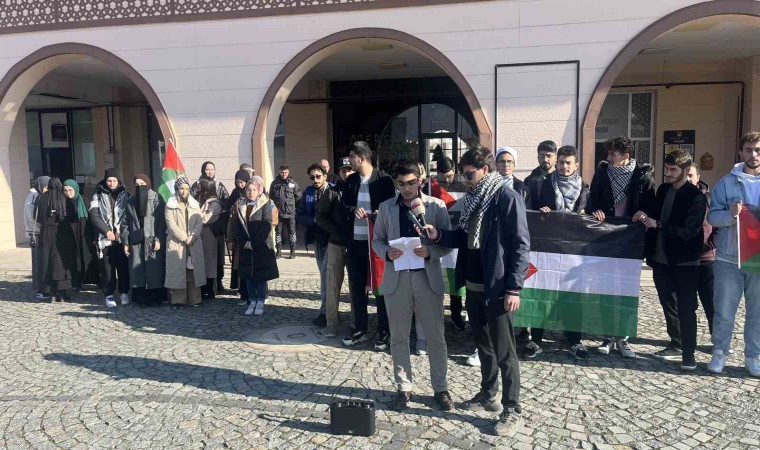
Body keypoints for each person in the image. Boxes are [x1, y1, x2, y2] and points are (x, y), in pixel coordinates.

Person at [421, 145, 529, 437]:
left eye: (469, 174)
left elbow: (520, 245)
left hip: (498, 288)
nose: (466, 179)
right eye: (464, 174)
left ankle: (512, 408)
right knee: (483, 345)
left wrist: (514, 288)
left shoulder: (506, 198)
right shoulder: (473, 200)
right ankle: (489, 394)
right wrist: (439, 234)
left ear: (485, 170)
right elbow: (464, 237)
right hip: (473, 285)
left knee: (505, 351)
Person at [371, 160, 454, 411]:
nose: (406, 189)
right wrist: (387, 253)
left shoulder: (435, 206)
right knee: (398, 337)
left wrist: (430, 252)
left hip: (426, 277)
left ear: (420, 180)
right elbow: (377, 240)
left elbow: (447, 242)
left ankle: (440, 388)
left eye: (410, 183)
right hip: (397, 278)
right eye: (400, 184)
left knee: (435, 336)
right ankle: (403, 388)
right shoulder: (386, 207)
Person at [588, 136, 655, 358]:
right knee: (606, 290)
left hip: (631, 241)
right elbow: (591, 203)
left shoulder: (643, 175)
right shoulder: (602, 173)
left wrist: (644, 213)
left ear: (625, 156)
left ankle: (623, 338)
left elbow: (650, 205)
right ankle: (607, 336)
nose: (608, 158)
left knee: (627, 290)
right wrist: (595, 211)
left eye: (612, 154)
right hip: (606, 239)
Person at [642, 150, 706, 371]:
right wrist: (643, 216)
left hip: (686, 262)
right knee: (667, 304)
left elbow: (690, 232)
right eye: (666, 169)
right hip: (660, 260)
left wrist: (658, 225)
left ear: (686, 171)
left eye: (673, 170)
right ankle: (676, 343)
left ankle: (689, 354)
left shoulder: (696, 197)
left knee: (687, 308)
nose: (667, 173)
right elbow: (653, 214)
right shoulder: (662, 190)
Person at [527, 145, 590, 360]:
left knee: (572, 297)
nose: (563, 166)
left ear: (576, 165)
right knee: (542, 294)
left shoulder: (585, 188)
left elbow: (594, 214)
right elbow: (531, 213)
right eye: (561, 162)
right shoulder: (543, 185)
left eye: (568, 162)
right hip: (548, 249)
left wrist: (591, 214)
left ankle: (574, 340)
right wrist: (540, 213)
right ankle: (536, 339)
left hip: (574, 252)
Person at [707, 131, 760, 376]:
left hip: (758, 260)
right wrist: (730, 215)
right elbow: (712, 217)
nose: (754, 154)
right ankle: (719, 353)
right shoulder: (727, 182)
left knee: (757, 312)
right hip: (729, 258)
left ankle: (753, 356)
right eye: (749, 150)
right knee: (724, 311)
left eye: (758, 150)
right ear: (741, 152)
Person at [340, 141, 396, 348]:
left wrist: (381, 214)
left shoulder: (384, 180)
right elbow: (343, 205)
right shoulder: (351, 180)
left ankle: (384, 331)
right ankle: (360, 328)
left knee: (380, 288)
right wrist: (353, 209)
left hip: (378, 245)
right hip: (356, 243)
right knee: (356, 288)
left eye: (352, 157)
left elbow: (393, 209)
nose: (350, 161)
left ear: (361, 158)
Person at [315, 160, 355, 337]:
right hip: (336, 244)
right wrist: (335, 229)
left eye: (349, 170)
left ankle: (357, 320)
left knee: (356, 285)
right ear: (338, 173)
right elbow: (320, 216)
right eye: (343, 171)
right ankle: (331, 322)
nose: (346, 173)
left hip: (355, 245)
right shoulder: (331, 192)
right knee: (332, 284)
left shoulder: (359, 189)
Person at [234, 178, 279, 316]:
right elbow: (238, 228)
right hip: (246, 246)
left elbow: (266, 225)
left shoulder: (265, 204)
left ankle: (260, 300)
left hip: (261, 246)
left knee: (260, 276)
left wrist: (254, 243)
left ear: (259, 190)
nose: (251, 192)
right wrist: (244, 243)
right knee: (248, 276)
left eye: (254, 189)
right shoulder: (240, 205)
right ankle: (252, 300)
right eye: (248, 190)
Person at [121, 174, 166, 306]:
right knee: (137, 270)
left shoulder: (157, 198)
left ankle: (155, 298)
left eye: (142, 184)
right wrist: (126, 242)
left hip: (151, 240)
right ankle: (140, 299)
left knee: (154, 270)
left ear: (148, 183)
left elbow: (162, 222)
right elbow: (124, 224)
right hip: (136, 241)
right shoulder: (131, 200)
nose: (140, 187)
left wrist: (159, 239)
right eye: (137, 184)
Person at [90, 168, 131, 308]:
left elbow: (128, 214)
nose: (111, 183)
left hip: (121, 238)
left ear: (118, 181)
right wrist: (106, 231)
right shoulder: (97, 195)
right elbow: (94, 216)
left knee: (123, 267)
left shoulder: (125, 194)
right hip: (105, 239)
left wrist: (121, 230)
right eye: (109, 180)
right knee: (107, 269)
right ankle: (109, 295)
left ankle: (124, 292)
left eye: (114, 180)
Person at [165, 177, 206, 307]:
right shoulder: (170, 205)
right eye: (182, 188)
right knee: (179, 272)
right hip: (177, 243)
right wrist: (184, 237)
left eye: (187, 188)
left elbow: (199, 222)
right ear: (177, 189)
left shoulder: (194, 204)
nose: (185, 191)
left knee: (193, 271)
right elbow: (171, 225)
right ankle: (178, 300)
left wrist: (193, 236)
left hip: (193, 242)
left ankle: (195, 299)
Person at [300, 163, 332, 327]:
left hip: (332, 240)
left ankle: (326, 313)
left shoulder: (332, 190)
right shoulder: (308, 192)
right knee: (324, 276)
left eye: (318, 176)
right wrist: (313, 220)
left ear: (325, 176)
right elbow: (300, 215)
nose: (315, 180)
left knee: (327, 277)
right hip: (316, 239)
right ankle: (328, 311)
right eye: (312, 177)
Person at [685, 164, 716, 336]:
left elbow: (718, 225)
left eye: (691, 175)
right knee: (688, 304)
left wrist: (711, 244)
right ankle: (687, 340)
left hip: (706, 259)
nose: (688, 178)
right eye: (686, 175)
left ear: (698, 177)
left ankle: (717, 339)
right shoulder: (677, 196)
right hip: (686, 260)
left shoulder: (709, 198)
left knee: (711, 302)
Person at [191, 162, 230, 292]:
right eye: (207, 169)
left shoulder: (219, 186)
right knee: (204, 258)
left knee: (216, 258)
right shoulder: (197, 185)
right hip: (199, 229)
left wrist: (217, 209)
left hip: (215, 228)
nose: (210, 172)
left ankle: (217, 283)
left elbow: (226, 202)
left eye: (212, 169)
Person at [37, 178, 74, 302]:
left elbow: (36, 217)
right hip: (62, 233)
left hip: (46, 232)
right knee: (61, 261)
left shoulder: (42, 198)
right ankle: (64, 292)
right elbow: (70, 215)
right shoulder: (64, 197)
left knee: (49, 261)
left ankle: (50, 291)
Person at [62, 179, 92, 291]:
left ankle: (89, 280)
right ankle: (76, 282)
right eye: (65, 190)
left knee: (87, 256)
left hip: (84, 233)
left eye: (70, 190)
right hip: (70, 235)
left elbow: (90, 218)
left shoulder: (84, 200)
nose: (68, 193)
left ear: (75, 189)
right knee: (74, 258)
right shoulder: (63, 202)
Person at [226, 169, 251, 299]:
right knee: (238, 263)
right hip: (237, 236)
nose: (240, 185)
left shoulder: (252, 192)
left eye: (242, 182)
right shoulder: (235, 193)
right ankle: (240, 288)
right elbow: (229, 211)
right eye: (238, 182)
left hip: (249, 235)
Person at [269, 164, 302, 259]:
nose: (283, 174)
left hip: (290, 213)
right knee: (278, 233)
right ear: (279, 172)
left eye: (285, 172)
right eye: (282, 172)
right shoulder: (274, 183)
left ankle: (293, 251)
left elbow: (298, 197)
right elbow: (271, 197)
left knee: (292, 233)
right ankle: (278, 251)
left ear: (288, 172)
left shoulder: (293, 184)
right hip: (278, 213)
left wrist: (292, 207)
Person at [25, 176, 50, 299]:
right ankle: (40, 288)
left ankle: (39, 286)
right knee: (39, 262)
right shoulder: (34, 197)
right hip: (37, 233)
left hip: (38, 232)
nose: (47, 189)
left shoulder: (35, 195)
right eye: (46, 187)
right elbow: (32, 216)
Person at [198, 178, 222, 299]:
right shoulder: (201, 199)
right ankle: (202, 288)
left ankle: (210, 289)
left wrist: (196, 216)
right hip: (200, 235)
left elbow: (206, 218)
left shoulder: (214, 203)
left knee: (209, 263)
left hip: (209, 235)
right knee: (201, 262)